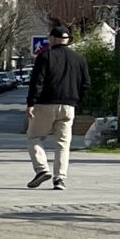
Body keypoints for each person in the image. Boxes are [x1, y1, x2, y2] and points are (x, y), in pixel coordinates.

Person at [25, 25, 88, 190]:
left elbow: (37, 81)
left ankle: (41, 169)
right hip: (69, 106)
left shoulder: (45, 56)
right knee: (63, 143)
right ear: (68, 40)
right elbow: (85, 83)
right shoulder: (79, 58)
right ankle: (59, 179)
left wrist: (31, 102)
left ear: (52, 39)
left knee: (34, 137)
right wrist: (77, 101)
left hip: (45, 104)